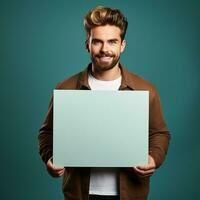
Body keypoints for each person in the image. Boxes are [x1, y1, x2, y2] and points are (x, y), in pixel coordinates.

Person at [38, 6, 170, 200]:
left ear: (122, 45)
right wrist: (50, 157)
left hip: (131, 192)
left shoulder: (145, 89)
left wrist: (153, 159)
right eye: (97, 42)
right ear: (87, 45)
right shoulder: (66, 88)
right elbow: (47, 133)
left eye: (112, 42)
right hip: (80, 193)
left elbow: (159, 133)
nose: (105, 49)